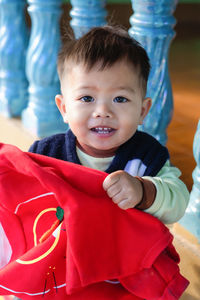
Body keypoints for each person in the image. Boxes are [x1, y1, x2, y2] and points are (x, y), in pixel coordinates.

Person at [29, 25, 189, 224]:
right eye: (87, 98)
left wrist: (143, 192)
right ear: (64, 109)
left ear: (142, 111)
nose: (102, 111)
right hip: (64, 251)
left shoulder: (147, 156)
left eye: (120, 99)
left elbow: (179, 201)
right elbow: (23, 202)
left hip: (130, 254)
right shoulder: (46, 155)